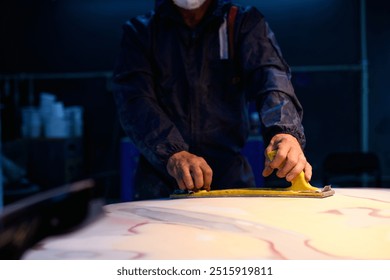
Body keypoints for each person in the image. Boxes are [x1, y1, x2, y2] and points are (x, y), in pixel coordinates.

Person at [113, 0, 312, 200]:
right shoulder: (141, 31)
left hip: (229, 174)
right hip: (162, 178)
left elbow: (271, 79)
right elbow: (135, 101)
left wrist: (285, 131)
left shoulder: (241, 23)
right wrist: (172, 153)